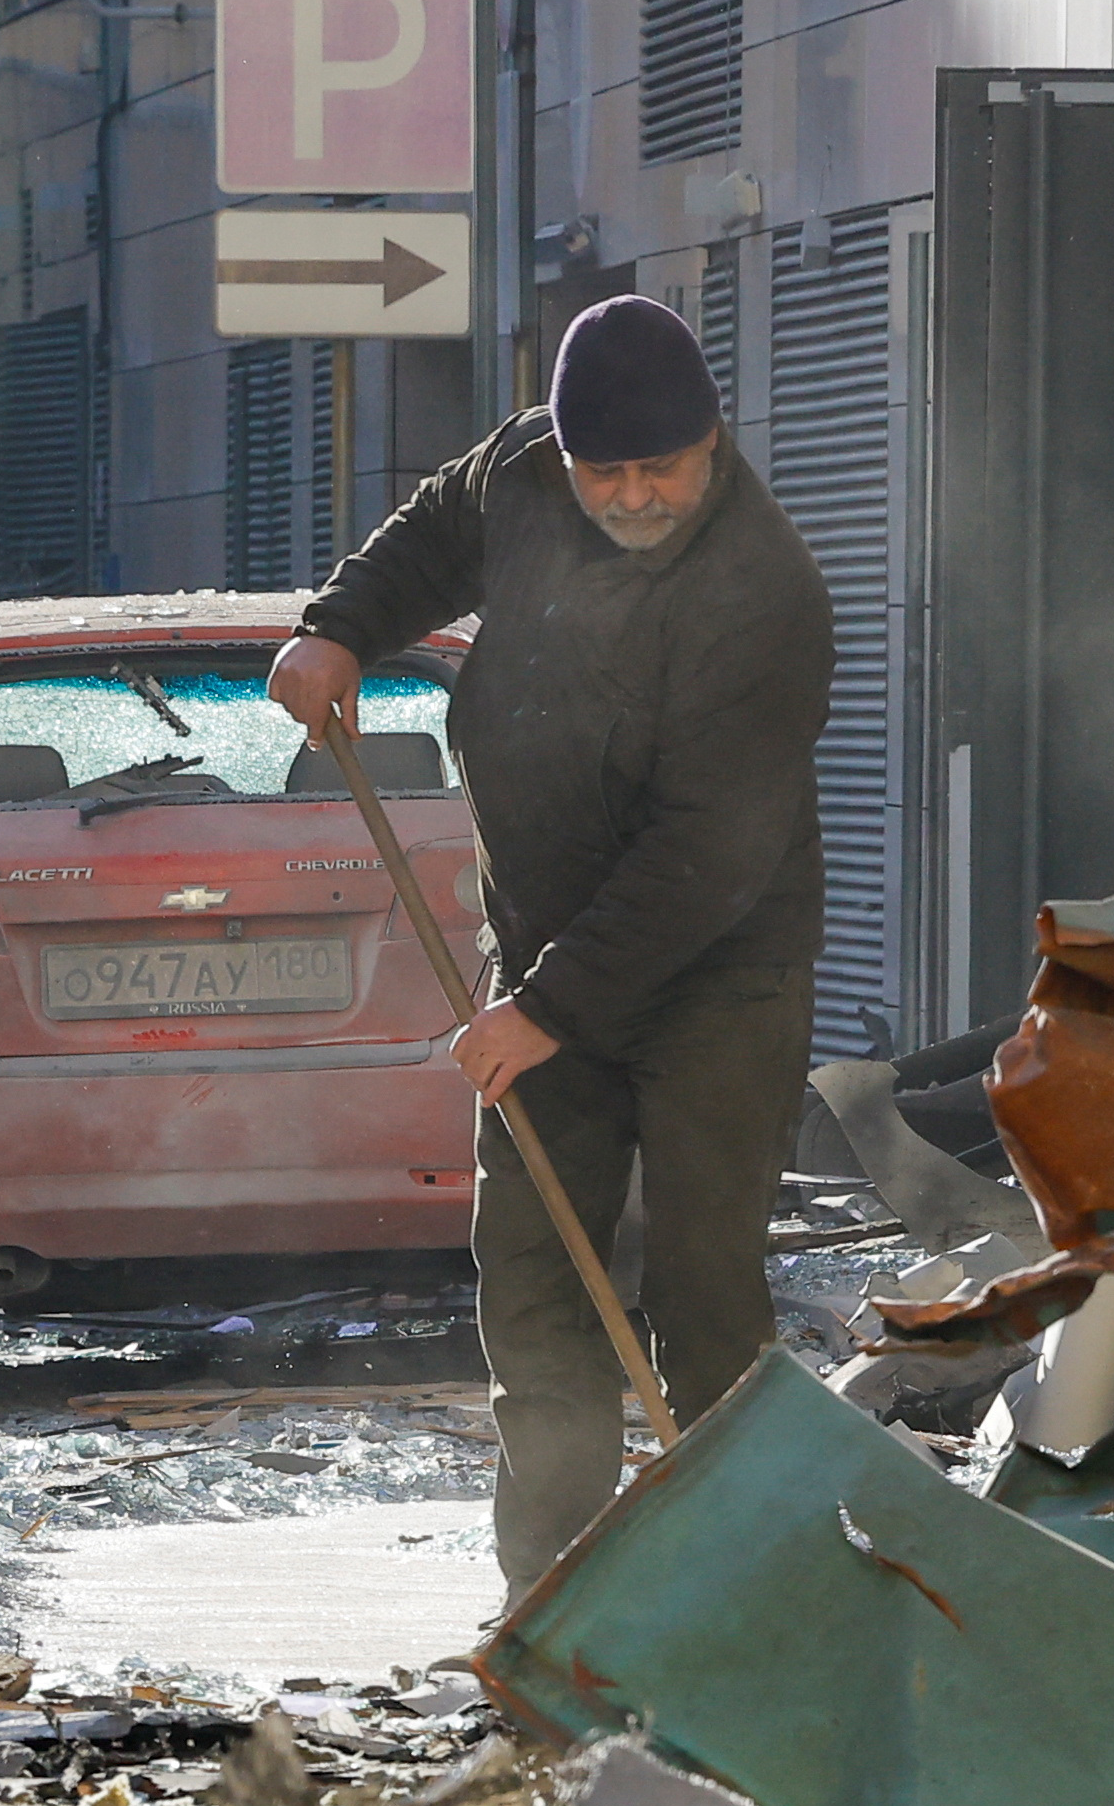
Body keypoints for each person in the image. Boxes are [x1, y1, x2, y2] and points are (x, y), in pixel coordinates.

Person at [271, 295, 835, 1585]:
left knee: (705, 1299)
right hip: (543, 955)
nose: (633, 496)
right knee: (534, 1293)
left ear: (713, 441)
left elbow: (707, 858)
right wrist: (339, 626)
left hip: (718, 979)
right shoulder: (526, 472)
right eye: (604, 473)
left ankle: (738, 1589)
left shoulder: (766, 595)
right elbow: (433, 534)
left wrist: (544, 1011)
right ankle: (555, 1594)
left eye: (661, 469)